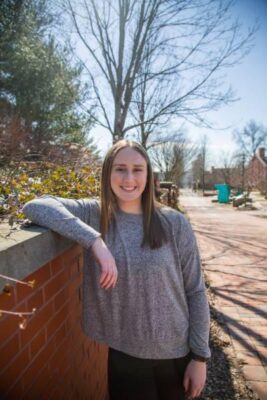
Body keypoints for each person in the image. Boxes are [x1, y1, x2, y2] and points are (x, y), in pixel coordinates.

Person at [23, 140, 210, 400]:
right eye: (120, 169)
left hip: (177, 354)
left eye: (138, 169)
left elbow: (196, 291)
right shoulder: (94, 214)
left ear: (148, 174)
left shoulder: (173, 223)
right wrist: (94, 240)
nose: (129, 178)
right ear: (107, 173)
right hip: (125, 356)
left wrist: (200, 357)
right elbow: (36, 205)